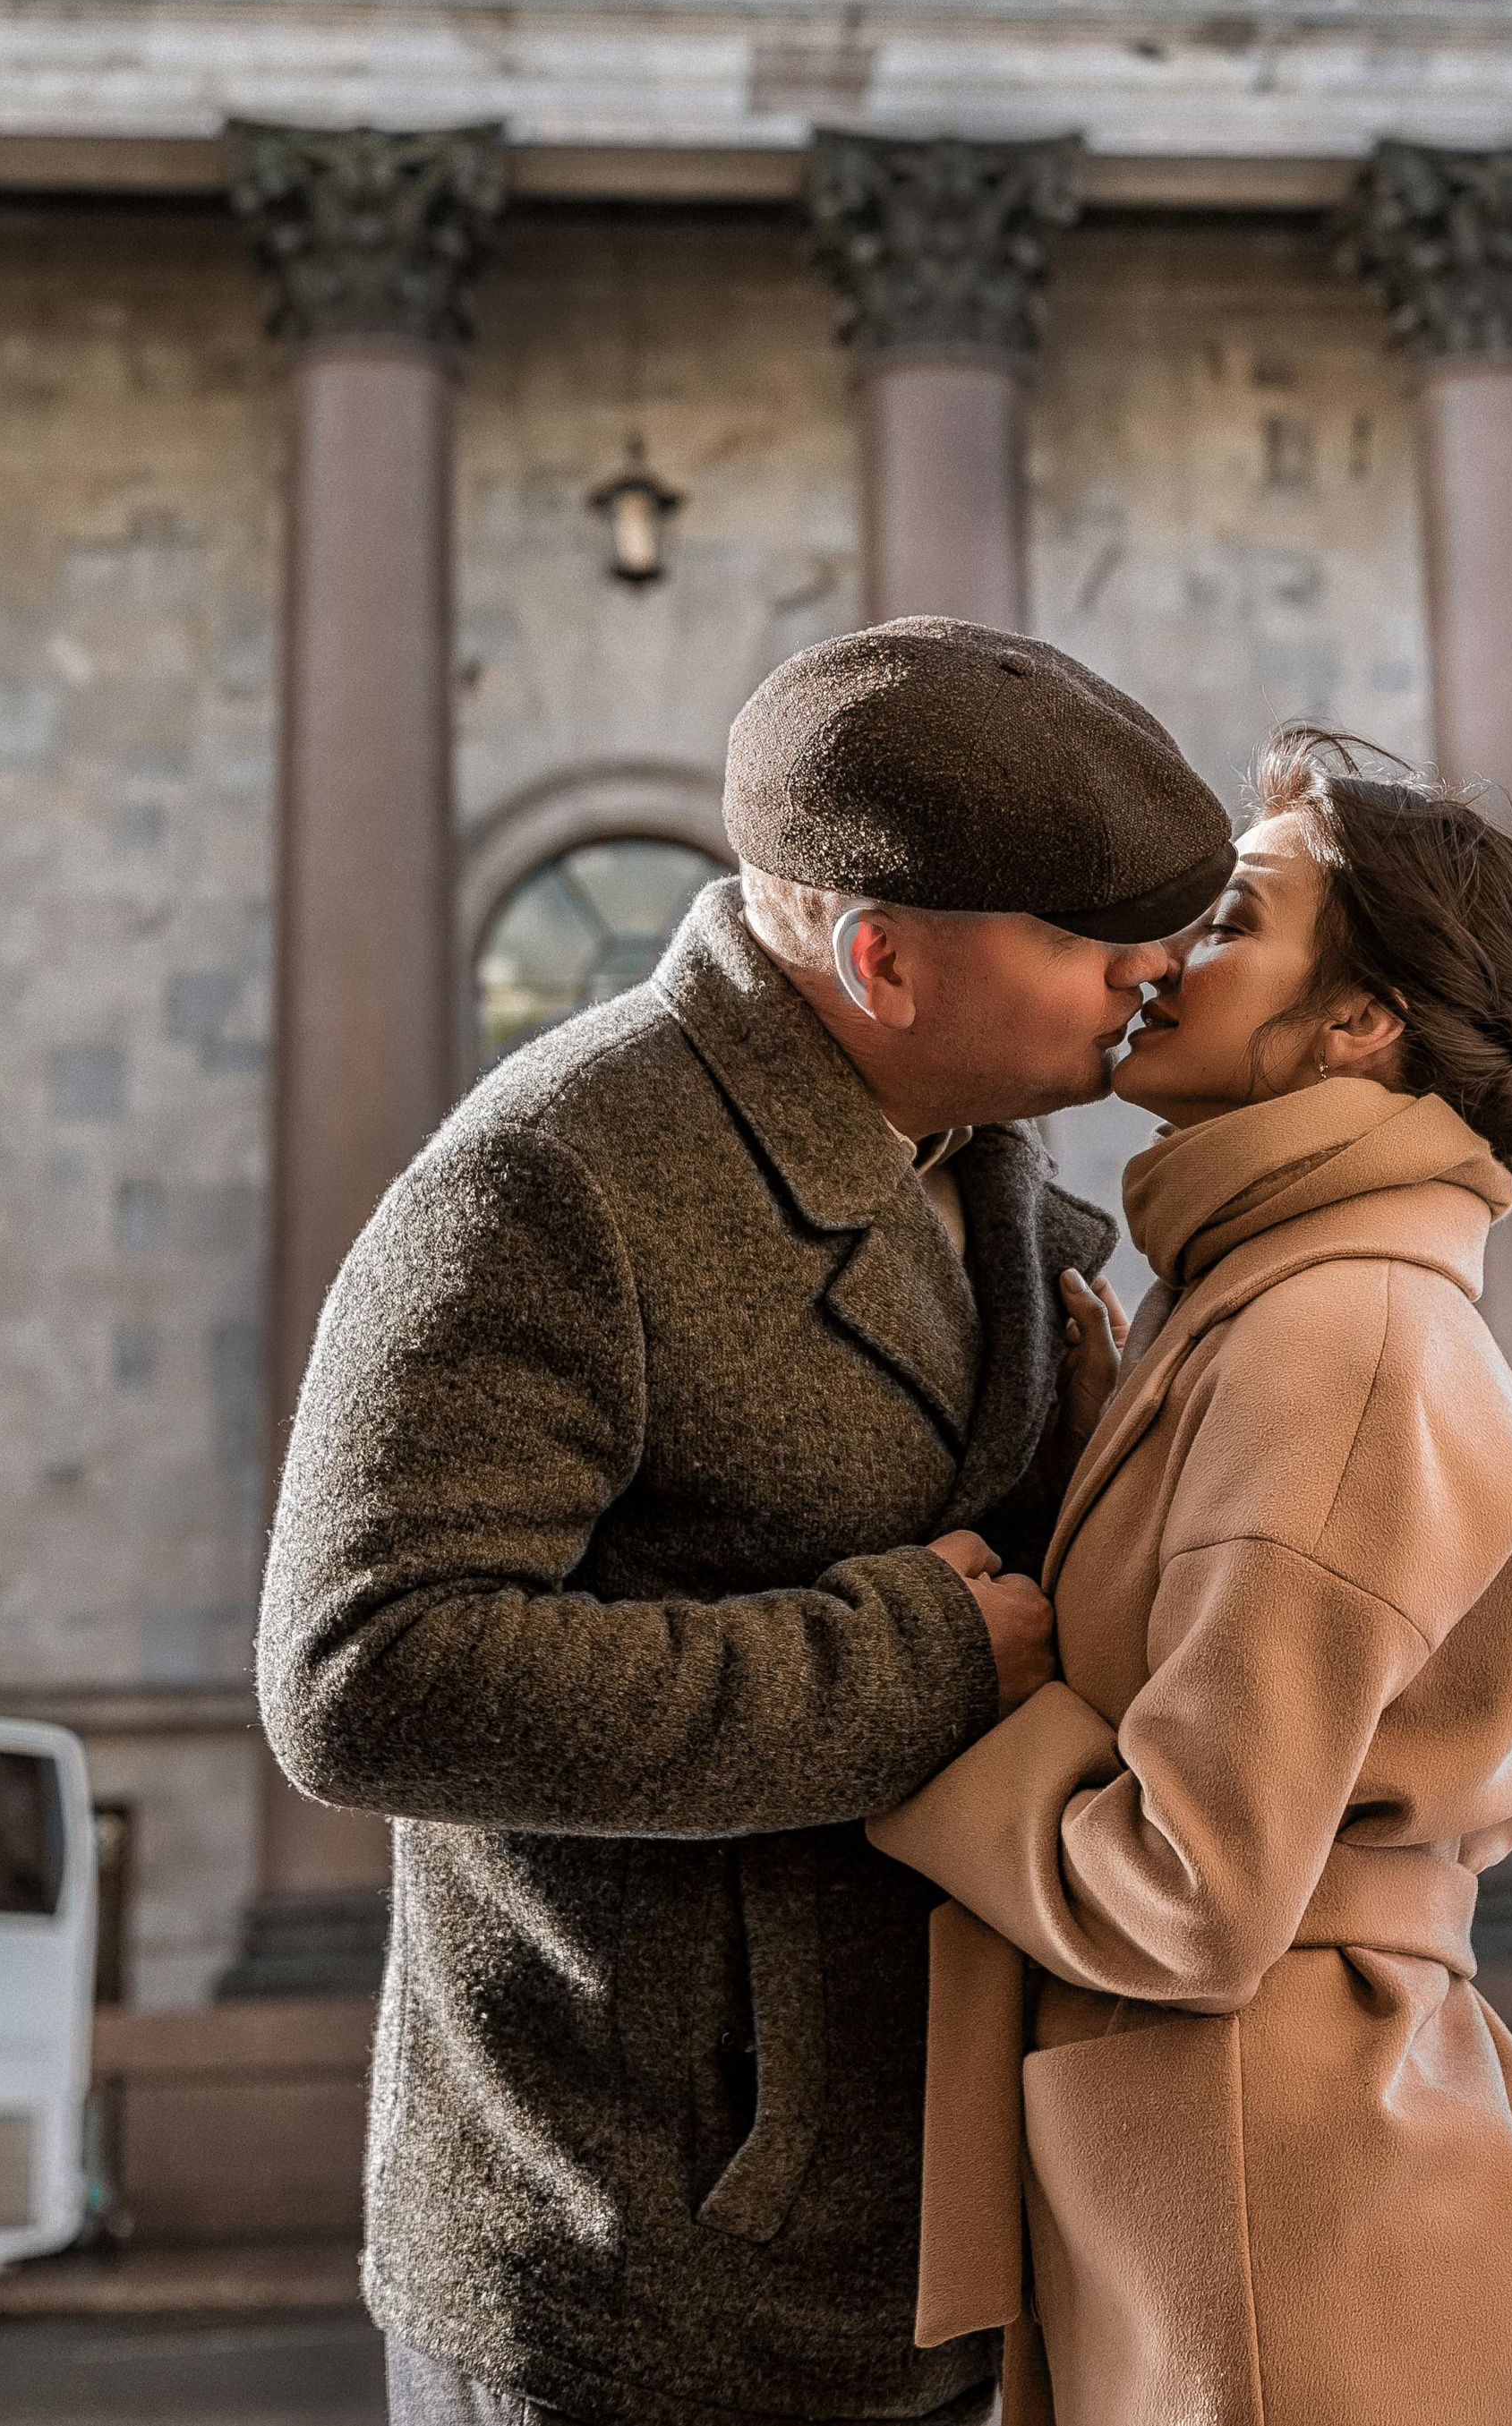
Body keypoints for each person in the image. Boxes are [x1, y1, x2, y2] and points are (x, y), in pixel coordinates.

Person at [257, 618, 1236, 2426]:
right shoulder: (550, 1178)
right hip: (639, 2286)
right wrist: (913, 1656)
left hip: (933, 2246)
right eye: (1094, 941)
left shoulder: (981, 1160)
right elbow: (363, 1678)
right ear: (881, 958)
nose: (1153, 973)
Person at [870, 725, 1512, 2426]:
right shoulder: (1267, 1302)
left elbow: (1192, 1883)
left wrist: (958, 1693)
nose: (1158, 958)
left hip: (1298, 2239)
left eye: (1228, 924)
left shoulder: (1338, 1331)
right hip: (1258, 2189)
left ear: (1360, 1023)